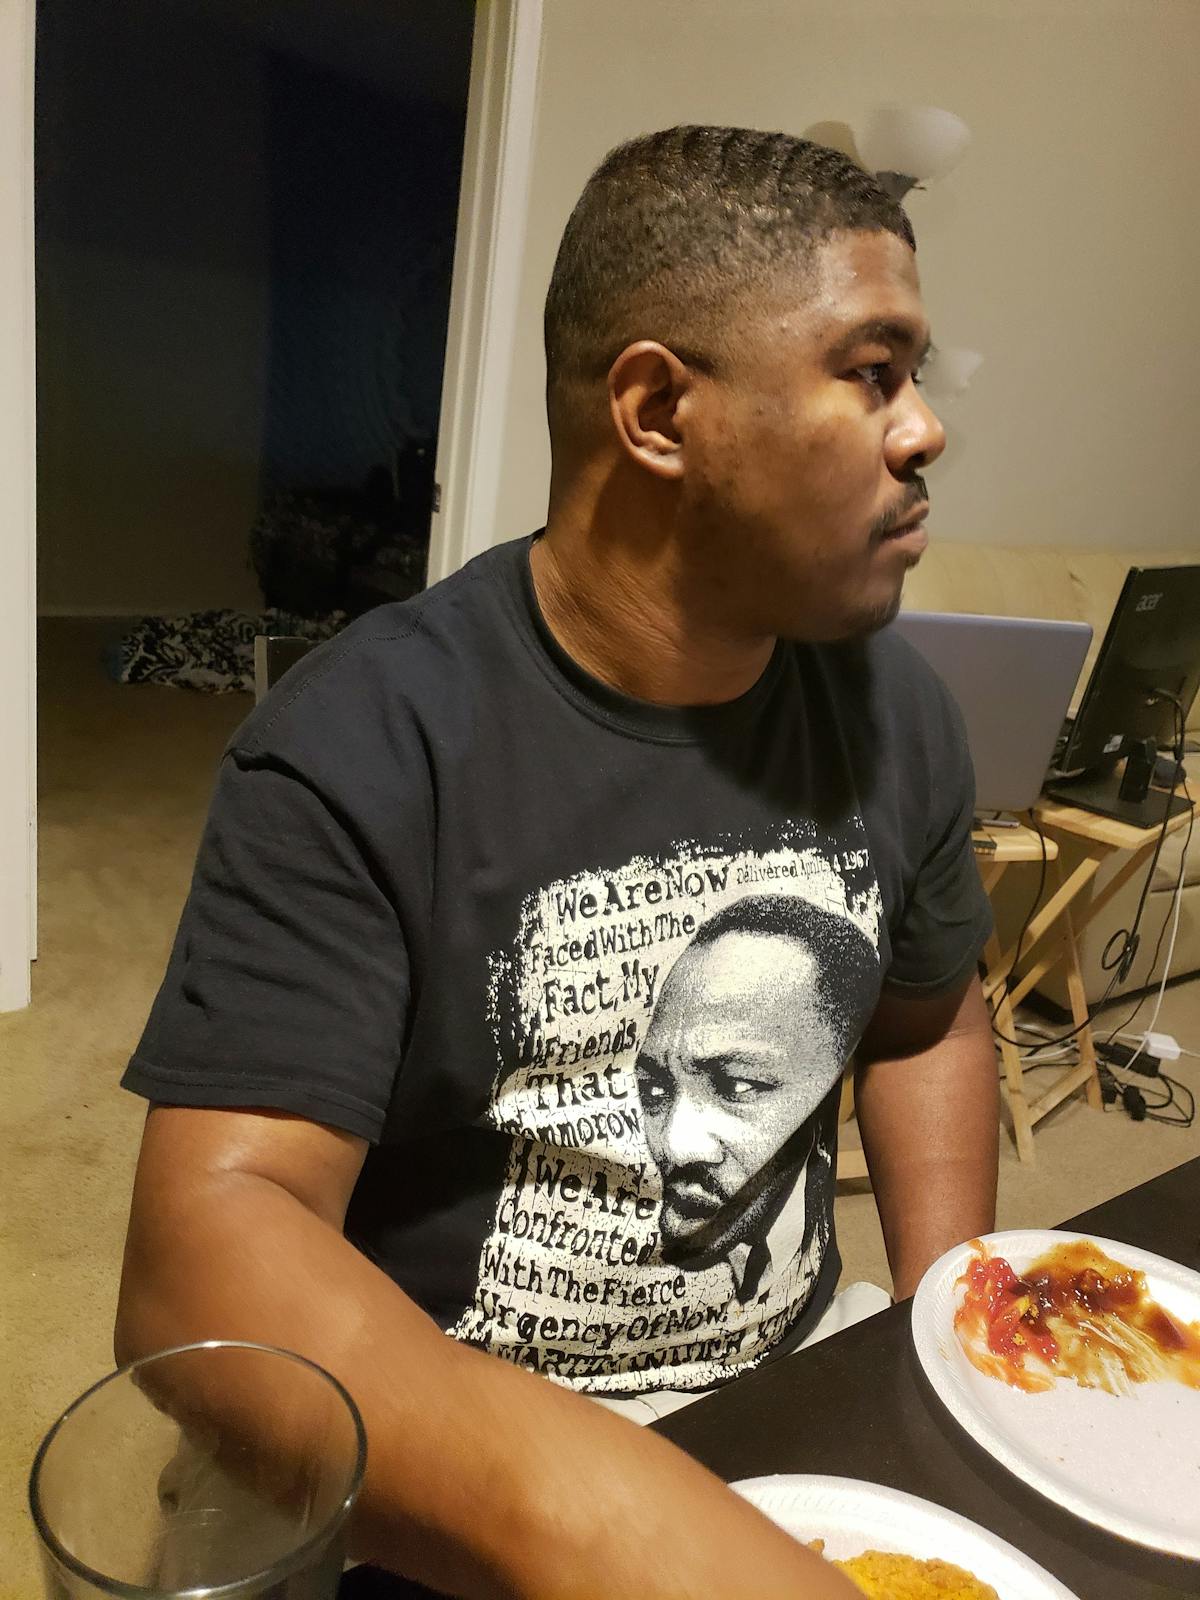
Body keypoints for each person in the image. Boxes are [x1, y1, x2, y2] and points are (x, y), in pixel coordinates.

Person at [115, 126, 999, 1600]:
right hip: (455, 1461)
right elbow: (203, 1259)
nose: (925, 430)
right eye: (872, 370)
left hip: (788, 1381)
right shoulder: (361, 744)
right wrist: (654, 1542)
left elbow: (930, 1019)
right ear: (658, 409)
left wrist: (950, 1332)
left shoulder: (894, 707)